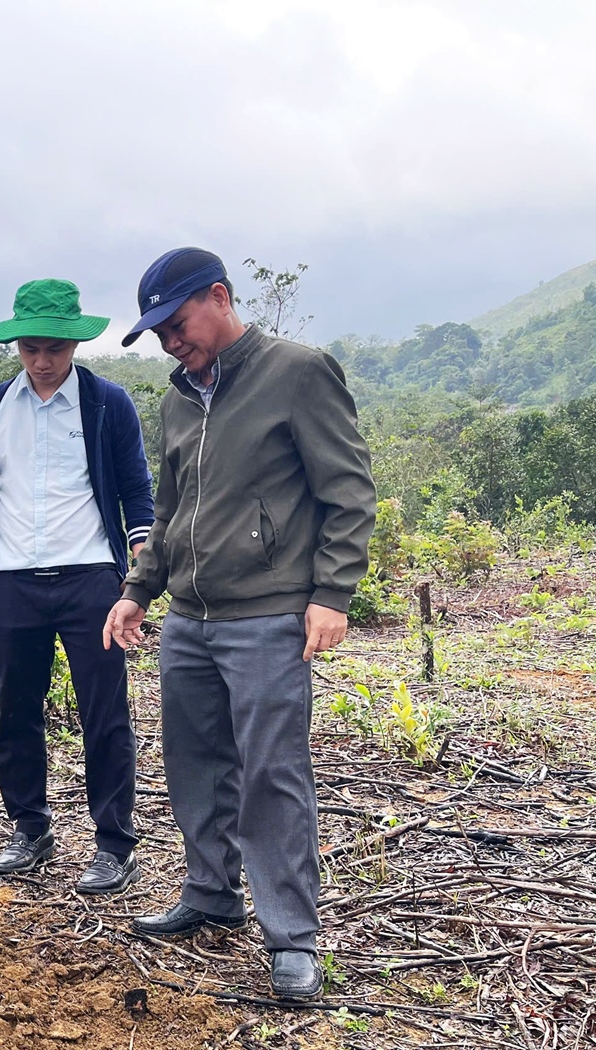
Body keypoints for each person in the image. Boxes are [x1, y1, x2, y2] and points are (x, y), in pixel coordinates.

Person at [104, 248, 376, 999]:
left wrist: (333, 593)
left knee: (271, 772)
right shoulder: (176, 399)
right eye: (156, 331)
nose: (169, 341)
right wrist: (138, 589)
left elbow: (348, 492)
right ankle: (210, 894)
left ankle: (292, 936)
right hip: (189, 617)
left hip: (268, 614)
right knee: (194, 764)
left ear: (218, 297)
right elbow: (170, 512)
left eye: (176, 322)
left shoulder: (296, 371)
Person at [0, 280, 155, 893]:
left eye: (56, 348)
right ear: (15, 343)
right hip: (12, 579)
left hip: (91, 578)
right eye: (32, 348)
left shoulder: (106, 404)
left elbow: (136, 492)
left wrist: (137, 582)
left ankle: (115, 844)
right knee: (15, 711)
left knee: (104, 712)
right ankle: (30, 828)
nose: (43, 361)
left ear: (75, 343)